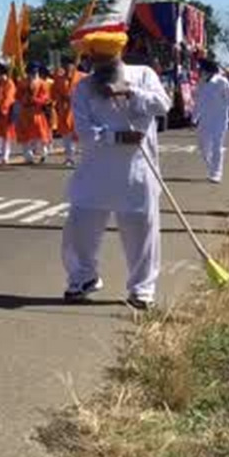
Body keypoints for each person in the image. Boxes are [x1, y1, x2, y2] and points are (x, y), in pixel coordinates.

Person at [62, 30, 171, 311]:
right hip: (95, 171)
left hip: (137, 171)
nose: (96, 65)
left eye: (102, 60)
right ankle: (84, 277)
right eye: (93, 59)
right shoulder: (84, 88)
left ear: (117, 56)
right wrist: (116, 138)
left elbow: (163, 105)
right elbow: (85, 132)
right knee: (79, 225)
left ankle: (141, 289)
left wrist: (130, 93)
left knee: (141, 232)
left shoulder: (144, 75)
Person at [193, 59, 229, 184]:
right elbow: (198, 101)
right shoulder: (201, 83)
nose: (199, 72)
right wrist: (194, 117)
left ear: (208, 71)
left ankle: (216, 172)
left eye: (201, 69)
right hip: (204, 120)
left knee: (217, 146)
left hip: (220, 120)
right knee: (203, 147)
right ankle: (211, 167)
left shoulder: (222, 82)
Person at [16, 63, 53, 164]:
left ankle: (43, 152)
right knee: (25, 135)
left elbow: (46, 97)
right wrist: (24, 98)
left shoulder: (42, 83)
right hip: (25, 112)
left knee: (40, 134)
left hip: (37, 112)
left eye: (35, 71)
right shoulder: (22, 82)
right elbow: (17, 96)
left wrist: (35, 100)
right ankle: (28, 156)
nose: (34, 73)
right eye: (32, 71)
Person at [52, 57, 85, 166]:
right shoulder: (59, 79)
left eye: (70, 65)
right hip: (64, 109)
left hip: (78, 109)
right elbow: (54, 93)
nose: (67, 67)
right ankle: (69, 157)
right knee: (66, 135)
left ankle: (82, 158)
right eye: (65, 65)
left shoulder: (82, 77)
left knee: (80, 134)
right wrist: (62, 97)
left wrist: (76, 96)